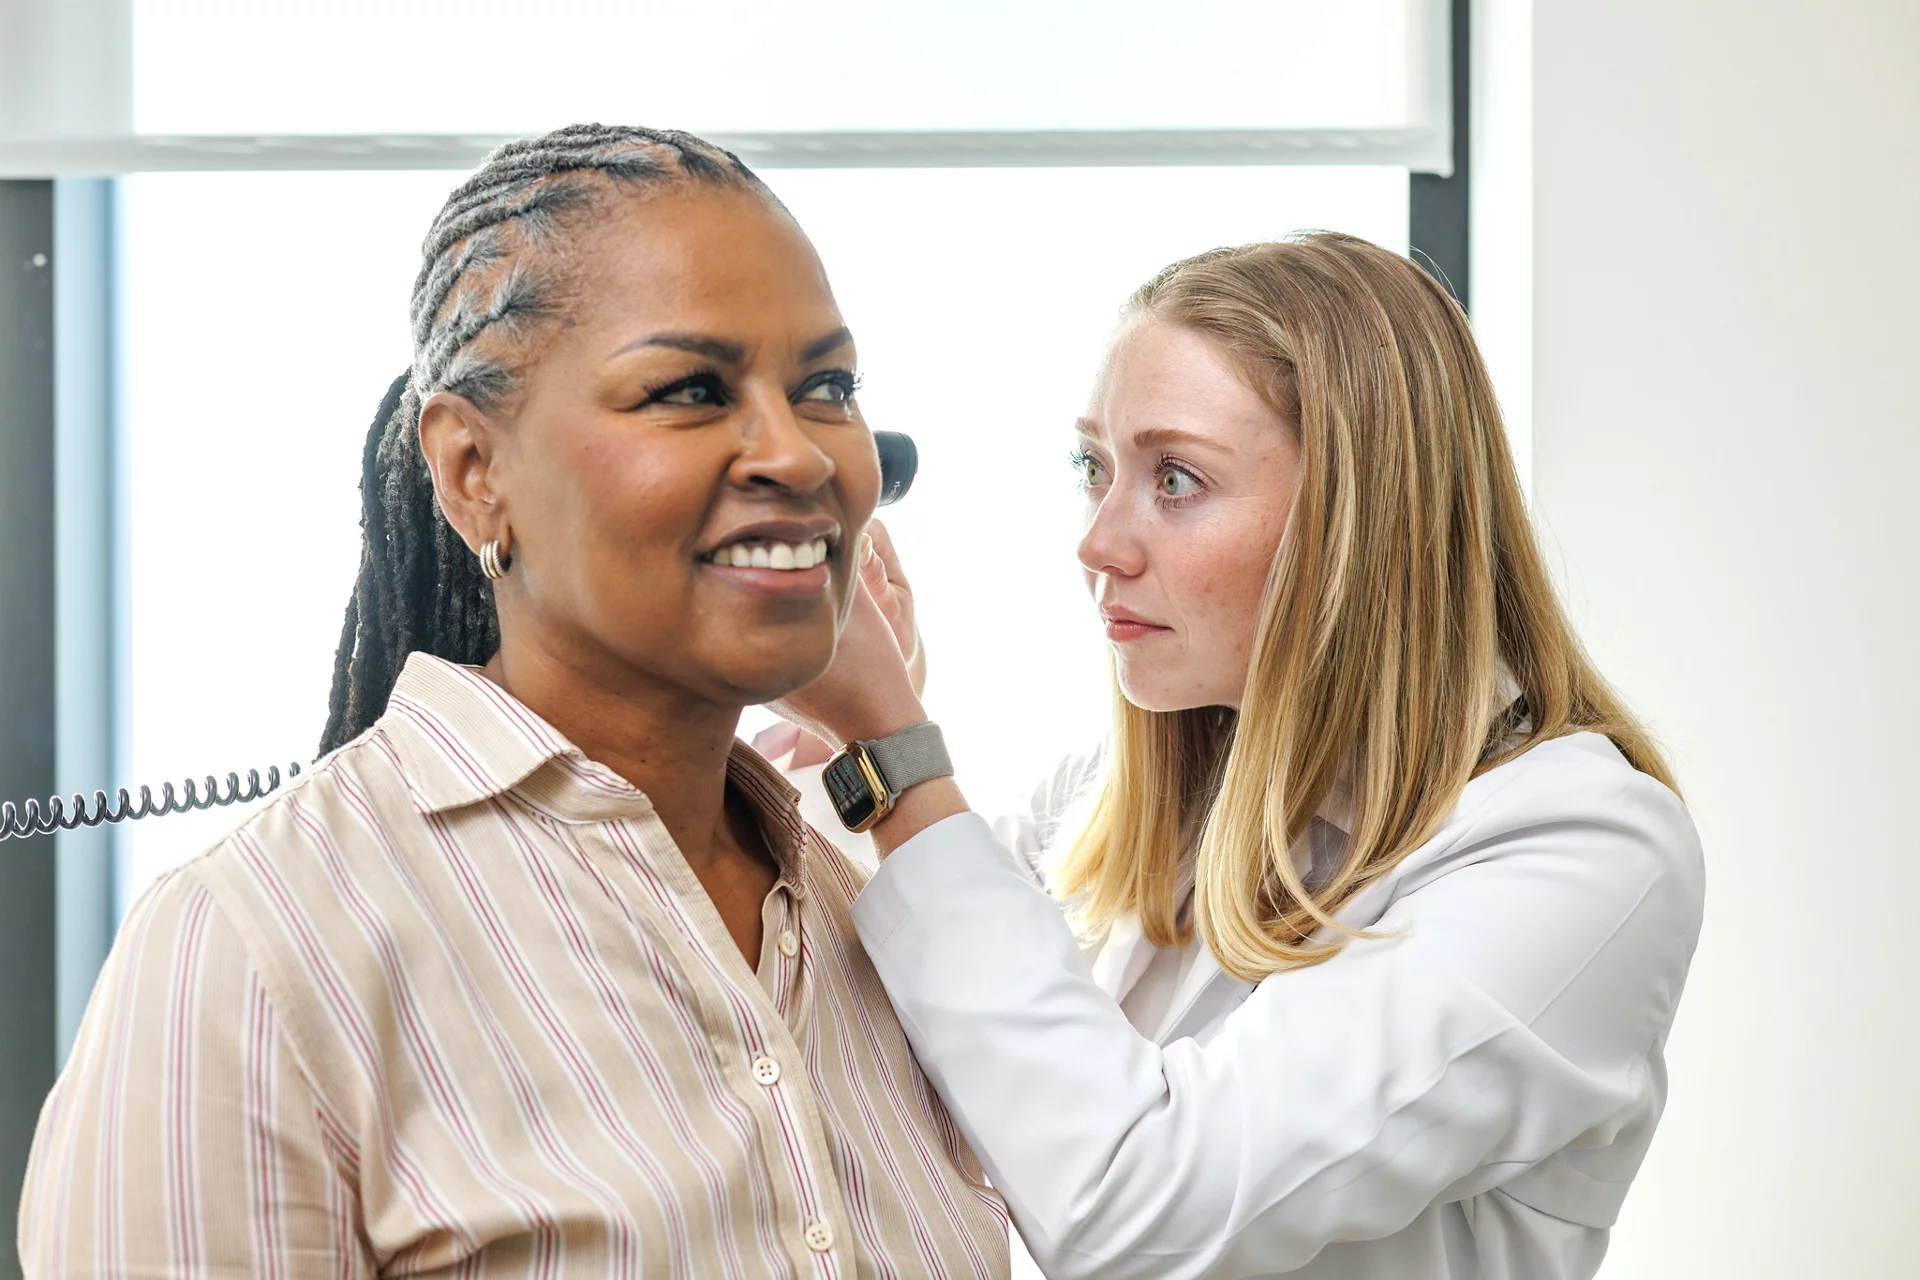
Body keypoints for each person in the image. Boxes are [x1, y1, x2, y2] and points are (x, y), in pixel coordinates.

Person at [18, 124, 1009, 1278]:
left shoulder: (864, 913)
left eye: (827, 385)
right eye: (689, 389)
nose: (797, 454)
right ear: (473, 472)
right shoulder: (255, 951)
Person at [776, 234, 1706, 1279]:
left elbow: (1138, 1206)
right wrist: (827, 748)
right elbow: (871, 1020)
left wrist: (890, 746)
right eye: (1096, 467)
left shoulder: (1578, 849)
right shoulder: (1104, 805)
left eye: (1174, 477)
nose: (1099, 540)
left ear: (1361, 519)